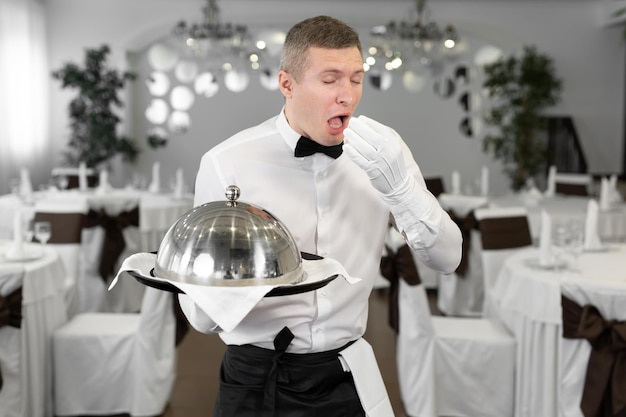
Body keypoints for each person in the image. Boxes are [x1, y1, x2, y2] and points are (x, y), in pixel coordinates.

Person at [179, 15, 462, 417]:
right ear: (287, 84)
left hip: (345, 374)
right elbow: (200, 318)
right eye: (330, 79)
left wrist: (401, 191)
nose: (347, 95)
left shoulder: (383, 152)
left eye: (356, 79)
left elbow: (448, 259)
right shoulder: (228, 163)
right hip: (255, 376)